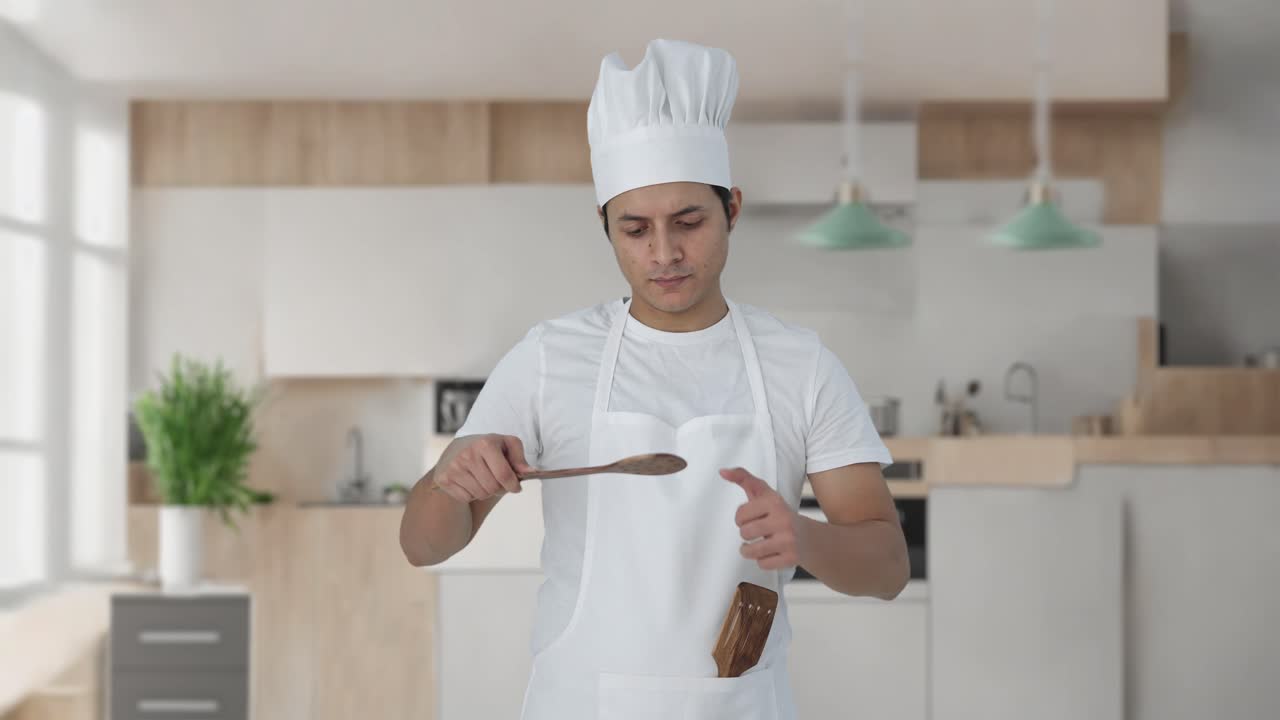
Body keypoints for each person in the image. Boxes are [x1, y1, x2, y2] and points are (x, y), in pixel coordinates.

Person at [400, 38, 909, 720]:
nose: (664, 253)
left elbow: (888, 567)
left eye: (688, 222)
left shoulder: (800, 364)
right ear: (604, 227)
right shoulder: (550, 357)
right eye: (635, 229)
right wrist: (450, 481)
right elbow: (422, 542)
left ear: (732, 207)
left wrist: (806, 538)